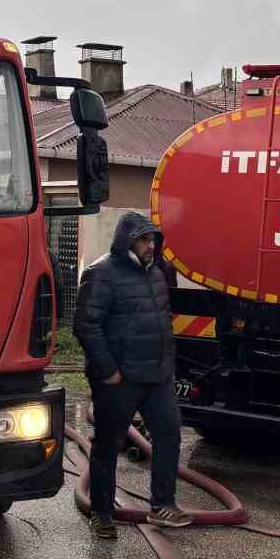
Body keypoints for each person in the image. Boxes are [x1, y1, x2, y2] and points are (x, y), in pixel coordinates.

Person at [73, 211, 194, 539]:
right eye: (144, 239)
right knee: (107, 445)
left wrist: (168, 366)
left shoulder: (158, 273)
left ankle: (162, 506)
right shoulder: (102, 274)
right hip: (119, 380)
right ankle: (102, 513)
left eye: (153, 238)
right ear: (127, 241)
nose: (150, 245)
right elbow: (85, 325)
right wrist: (108, 371)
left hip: (157, 377)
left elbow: (164, 321)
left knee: (169, 434)